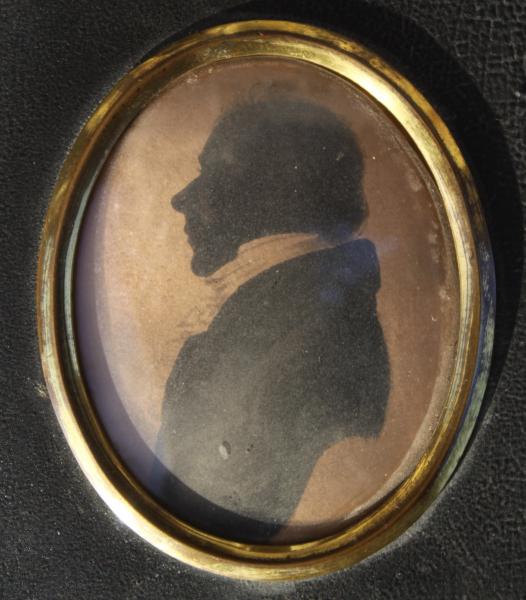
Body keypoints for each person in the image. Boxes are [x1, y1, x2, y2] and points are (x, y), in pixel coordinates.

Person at [154, 96, 390, 543]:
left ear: (275, 189)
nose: (180, 198)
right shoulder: (291, 309)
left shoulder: (310, 331)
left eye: (213, 172)